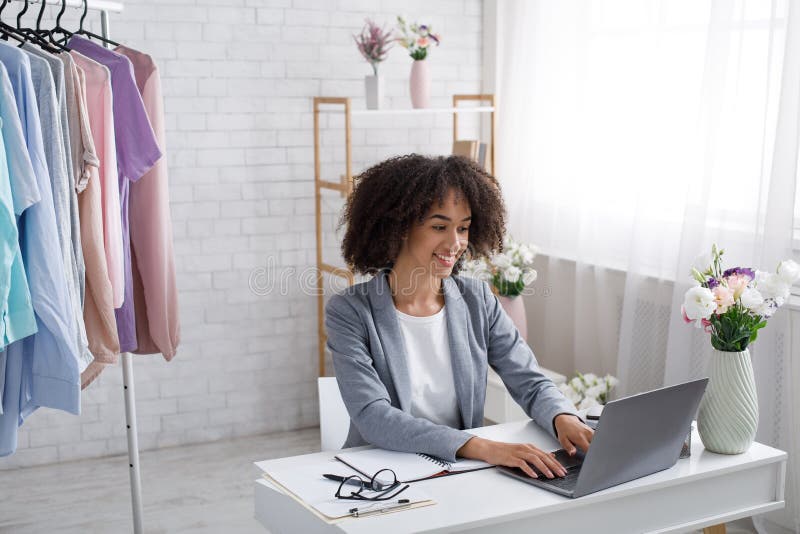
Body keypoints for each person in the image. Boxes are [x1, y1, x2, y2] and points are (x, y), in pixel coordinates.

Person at [325, 154, 594, 480]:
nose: (455, 243)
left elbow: (530, 381)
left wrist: (562, 417)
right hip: (382, 474)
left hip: (459, 472)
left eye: (463, 228)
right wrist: (482, 447)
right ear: (398, 228)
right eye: (439, 227)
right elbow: (374, 417)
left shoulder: (477, 299)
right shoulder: (350, 312)